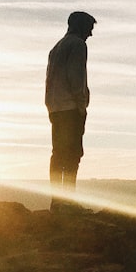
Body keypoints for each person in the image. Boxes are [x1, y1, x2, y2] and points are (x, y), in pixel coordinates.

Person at [45, 11, 96, 208]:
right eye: (89, 29)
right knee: (73, 153)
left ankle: (57, 201)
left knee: (58, 154)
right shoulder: (77, 45)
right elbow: (76, 78)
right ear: (81, 26)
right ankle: (68, 202)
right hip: (70, 108)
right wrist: (81, 105)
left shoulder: (56, 47)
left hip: (55, 107)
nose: (90, 34)